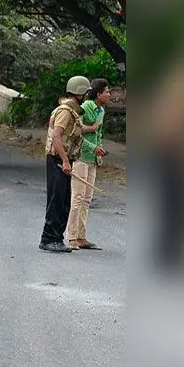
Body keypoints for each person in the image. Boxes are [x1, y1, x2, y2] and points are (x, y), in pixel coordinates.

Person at [39, 75, 89, 253]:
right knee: (57, 200)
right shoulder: (65, 111)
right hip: (58, 159)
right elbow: (56, 136)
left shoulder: (71, 110)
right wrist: (65, 160)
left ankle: (56, 238)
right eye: (86, 93)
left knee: (64, 200)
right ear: (79, 93)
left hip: (63, 159)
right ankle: (48, 238)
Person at [67, 78, 110, 250]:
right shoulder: (85, 108)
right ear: (98, 94)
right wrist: (93, 146)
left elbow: (98, 134)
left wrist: (99, 151)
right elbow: (77, 132)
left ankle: (81, 236)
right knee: (77, 198)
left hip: (92, 159)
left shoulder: (101, 110)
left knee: (87, 199)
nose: (109, 94)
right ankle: (71, 237)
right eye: (106, 91)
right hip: (81, 156)